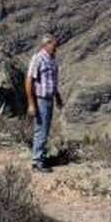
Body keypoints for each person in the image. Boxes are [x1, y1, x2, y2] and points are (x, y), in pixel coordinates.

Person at [25, 34, 63, 173]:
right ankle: (37, 162)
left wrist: (57, 96)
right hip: (40, 100)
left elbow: (51, 81)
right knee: (41, 130)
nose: (56, 48)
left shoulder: (51, 59)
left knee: (45, 129)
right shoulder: (38, 59)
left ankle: (40, 158)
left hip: (49, 99)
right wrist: (31, 103)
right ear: (46, 44)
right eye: (54, 45)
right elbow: (29, 81)